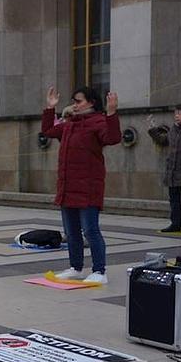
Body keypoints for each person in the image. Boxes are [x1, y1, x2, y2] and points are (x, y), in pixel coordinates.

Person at [41, 85, 121, 284]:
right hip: (68, 187)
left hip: (88, 188)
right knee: (71, 232)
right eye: (74, 101)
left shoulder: (98, 122)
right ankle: (75, 267)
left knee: (90, 230)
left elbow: (112, 138)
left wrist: (111, 114)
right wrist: (50, 108)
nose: (74, 105)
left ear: (91, 103)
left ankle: (99, 271)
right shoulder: (70, 124)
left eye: (79, 101)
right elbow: (48, 131)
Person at [149, 104, 181, 233]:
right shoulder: (174, 129)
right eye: (175, 113)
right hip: (173, 169)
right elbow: (163, 141)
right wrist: (153, 129)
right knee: (174, 199)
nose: (176, 116)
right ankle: (175, 224)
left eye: (180, 113)